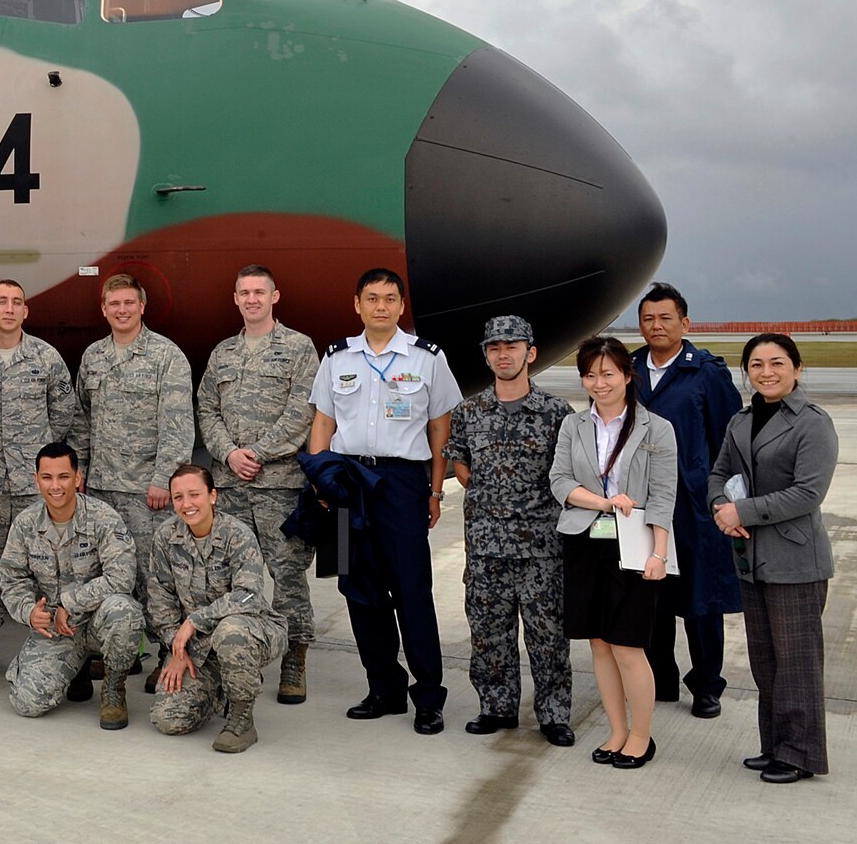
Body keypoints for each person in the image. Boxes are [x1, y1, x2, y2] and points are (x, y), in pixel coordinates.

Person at [306, 267, 463, 734]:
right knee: (356, 588)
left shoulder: (428, 357)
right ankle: (384, 688)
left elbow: (441, 429)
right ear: (357, 304)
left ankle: (429, 697)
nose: (380, 306)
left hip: (402, 482)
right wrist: (321, 483)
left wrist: (435, 490)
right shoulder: (336, 357)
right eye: (371, 298)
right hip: (347, 479)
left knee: (412, 590)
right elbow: (322, 424)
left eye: (390, 298)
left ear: (400, 305)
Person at [708, 334, 839, 784]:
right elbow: (719, 473)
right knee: (766, 661)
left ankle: (801, 754)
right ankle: (775, 745)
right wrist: (717, 510)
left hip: (796, 560)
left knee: (797, 661)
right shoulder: (741, 421)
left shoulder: (812, 423)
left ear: (797, 368)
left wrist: (740, 511)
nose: (766, 372)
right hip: (750, 557)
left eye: (777, 363)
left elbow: (809, 492)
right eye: (757, 364)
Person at [444, 315, 575, 745]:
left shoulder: (557, 413)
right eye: (495, 348)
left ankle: (554, 714)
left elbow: (571, 472)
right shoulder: (469, 411)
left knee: (547, 636)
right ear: (486, 355)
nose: (504, 354)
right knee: (488, 632)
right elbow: (458, 462)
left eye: (512, 346)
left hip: (542, 547)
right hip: (486, 545)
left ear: (530, 353)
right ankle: (496, 707)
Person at [550, 337, 677, 770]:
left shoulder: (656, 428)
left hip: (634, 545)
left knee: (628, 646)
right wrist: (601, 502)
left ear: (626, 375)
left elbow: (663, 497)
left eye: (607, 373)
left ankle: (641, 736)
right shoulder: (574, 426)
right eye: (590, 374)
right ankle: (617, 731)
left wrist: (658, 554)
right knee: (599, 645)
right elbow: (560, 481)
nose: (598, 383)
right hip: (585, 540)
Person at [194, 265, 319, 702]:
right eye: (244, 292)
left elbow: (303, 411)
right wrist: (229, 453)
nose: (251, 299)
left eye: (259, 292)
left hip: (278, 485)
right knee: (227, 578)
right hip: (229, 486)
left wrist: (259, 453)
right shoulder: (223, 353)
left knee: (286, 576)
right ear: (235, 299)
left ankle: (293, 659)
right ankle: (232, 656)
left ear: (274, 296)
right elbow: (206, 408)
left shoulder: (299, 348)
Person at [72, 272, 195, 691]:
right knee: (103, 573)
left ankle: (167, 653)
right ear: (104, 309)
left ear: (142, 307)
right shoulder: (93, 357)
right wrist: (80, 472)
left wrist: (164, 480)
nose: (122, 310)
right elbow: (82, 420)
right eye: (114, 304)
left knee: (156, 577)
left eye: (129, 302)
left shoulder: (166, 356)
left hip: (149, 493)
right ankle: (112, 652)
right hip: (103, 490)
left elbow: (178, 425)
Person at [634, 282, 744, 717]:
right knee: (650, 595)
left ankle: (706, 686)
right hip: (642, 504)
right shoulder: (627, 369)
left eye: (665, 317)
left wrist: (722, 499)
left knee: (701, 601)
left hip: (694, 506)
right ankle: (660, 679)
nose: (656, 325)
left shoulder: (708, 373)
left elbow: (728, 441)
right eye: (648, 318)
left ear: (685, 322)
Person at [0, 279, 78, 678]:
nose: (9, 308)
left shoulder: (46, 358)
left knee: (53, 565)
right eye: (2, 302)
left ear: (25, 311)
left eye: (17, 301)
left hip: (37, 489)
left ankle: (63, 646)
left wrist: (48, 465)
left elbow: (65, 413)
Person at [0, 442, 143, 729]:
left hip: (97, 621)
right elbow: (12, 578)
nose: (56, 486)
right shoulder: (26, 523)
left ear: (78, 478)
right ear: (36, 479)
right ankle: (75, 669)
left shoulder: (103, 518)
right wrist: (29, 612)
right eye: (47, 477)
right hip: (56, 629)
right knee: (27, 703)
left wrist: (70, 602)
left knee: (124, 612)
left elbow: (122, 577)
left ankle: (113, 688)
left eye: (64, 477)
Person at [147, 464, 289, 753]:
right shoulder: (165, 537)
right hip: (198, 646)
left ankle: (241, 718)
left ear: (212, 496)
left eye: (194, 494)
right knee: (169, 719)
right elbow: (159, 597)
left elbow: (248, 595)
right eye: (178, 497)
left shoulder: (237, 535)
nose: (186, 504)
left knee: (230, 630)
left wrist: (195, 621)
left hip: (252, 631)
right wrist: (177, 650)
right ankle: (223, 687)